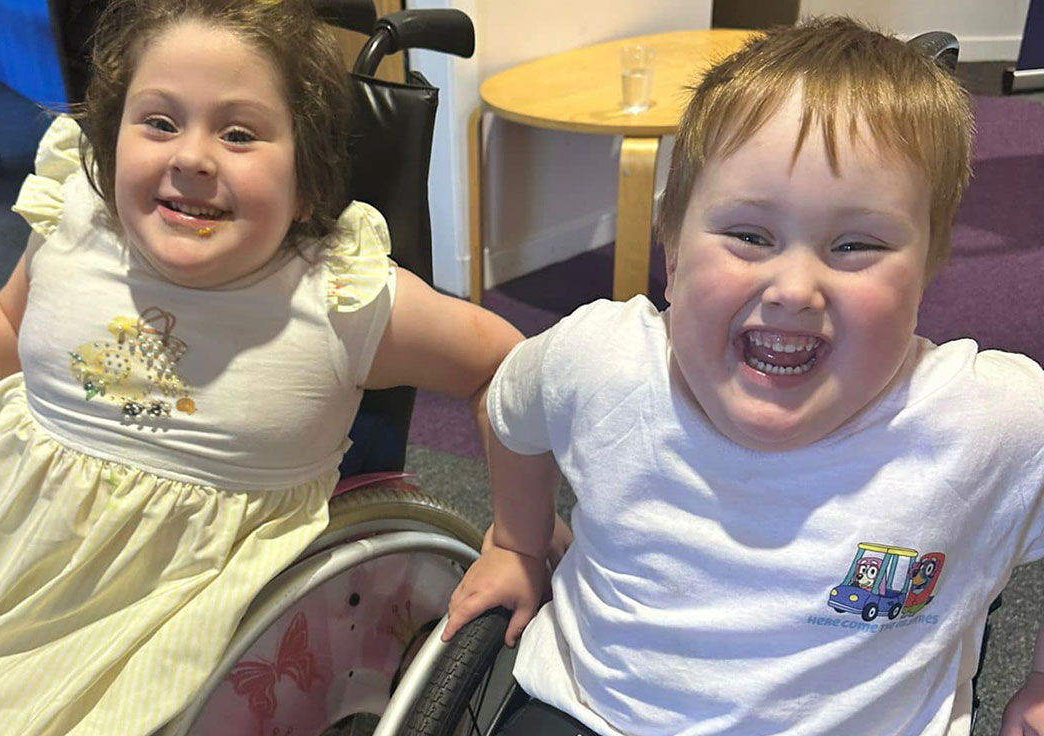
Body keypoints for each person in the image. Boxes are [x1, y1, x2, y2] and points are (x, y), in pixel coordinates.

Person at [0, 0, 524, 733]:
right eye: (160, 122)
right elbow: (13, 333)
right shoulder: (78, 224)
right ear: (108, 145)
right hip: (0, 540)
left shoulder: (341, 297)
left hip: (175, 598)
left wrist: (519, 540)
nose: (192, 156)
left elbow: (507, 368)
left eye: (239, 133)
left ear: (307, 181)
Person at [443, 16, 1044, 736]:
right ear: (671, 245)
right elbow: (513, 410)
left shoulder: (988, 421)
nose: (794, 287)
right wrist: (516, 540)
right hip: (597, 712)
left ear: (926, 272)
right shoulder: (600, 362)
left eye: (856, 244)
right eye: (750, 236)